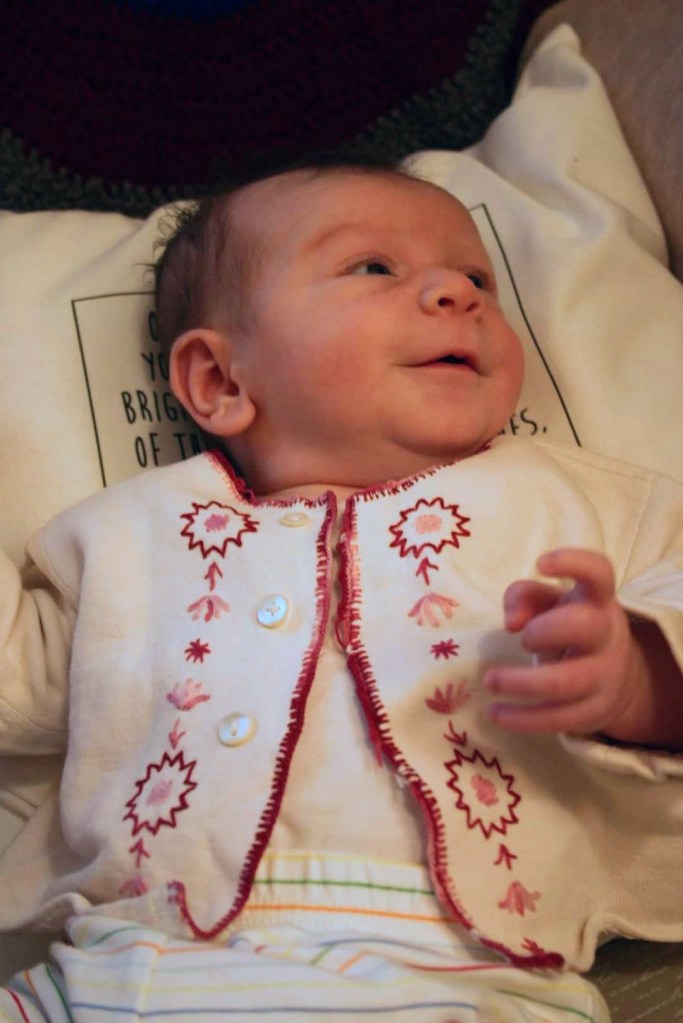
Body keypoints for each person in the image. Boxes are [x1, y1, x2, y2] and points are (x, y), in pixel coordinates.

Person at [0, 158, 682, 1022]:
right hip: (119, 973)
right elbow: (18, 674)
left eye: (477, 279)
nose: (456, 293)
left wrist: (639, 675)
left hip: (460, 982)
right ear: (220, 381)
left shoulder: (571, 500)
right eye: (374, 266)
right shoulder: (128, 537)